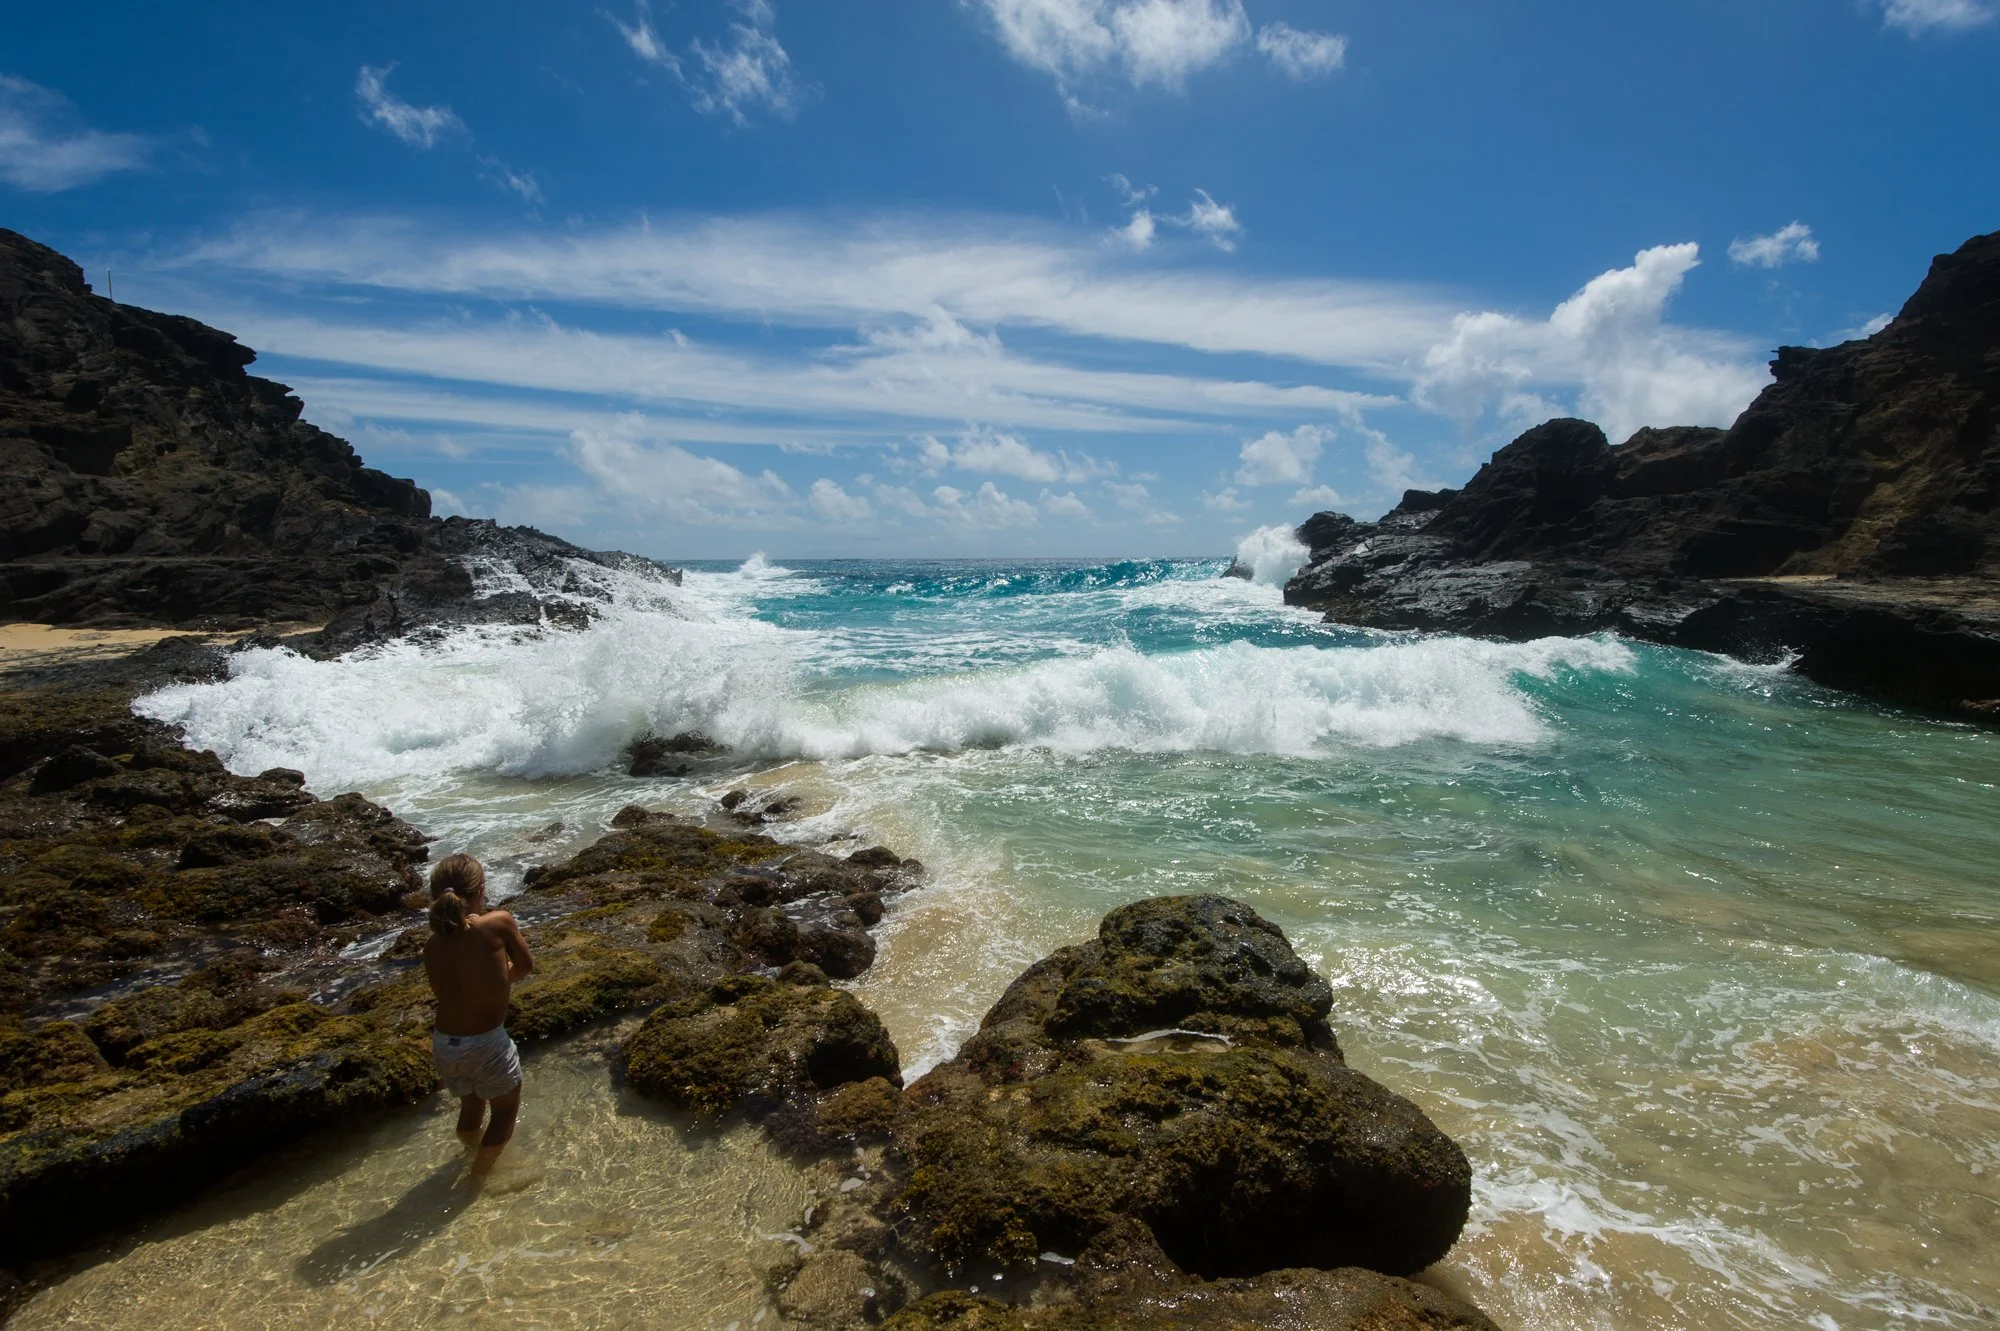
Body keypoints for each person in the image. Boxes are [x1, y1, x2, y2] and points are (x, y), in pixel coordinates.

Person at [422, 854, 534, 1171]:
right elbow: (524, 966)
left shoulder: (432, 946)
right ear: (481, 889)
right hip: (486, 1044)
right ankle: (479, 1179)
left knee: (471, 1108)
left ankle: (468, 1157)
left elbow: (445, 994)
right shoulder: (498, 922)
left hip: (445, 1046)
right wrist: (496, 982)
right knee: (504, 1113)